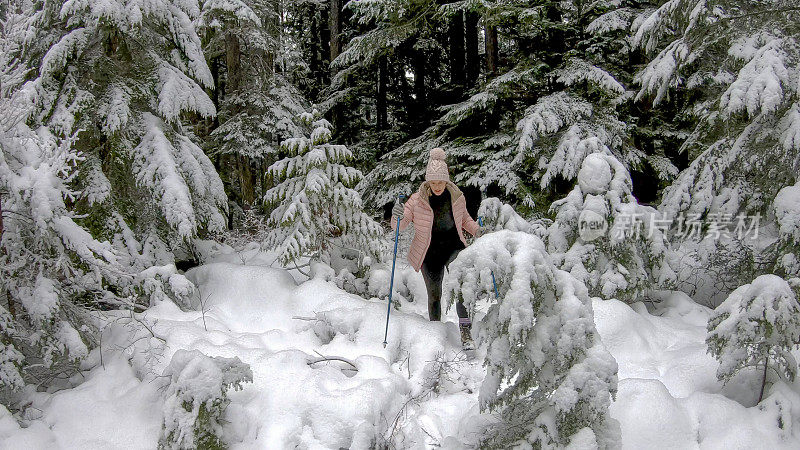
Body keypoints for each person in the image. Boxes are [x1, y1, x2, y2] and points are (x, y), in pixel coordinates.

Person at [391, 148, 481, 348]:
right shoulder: (416, 200)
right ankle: (435, 335)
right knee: (434, 295)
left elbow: (465, 219)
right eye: (433, 182)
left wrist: (477, 230)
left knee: (461, 290)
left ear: (447, 180)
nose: (438, 186)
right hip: (428, 253)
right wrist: (396, 215)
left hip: (453, 248)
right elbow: (400, 225)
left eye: (441, 181)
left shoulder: (456, 196)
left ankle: (465, 332)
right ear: (428, 182)